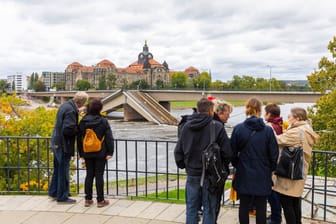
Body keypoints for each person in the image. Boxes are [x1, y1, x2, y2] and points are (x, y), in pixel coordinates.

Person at [174, 97, 232, 224]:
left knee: (192, 208)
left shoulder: (186, 126)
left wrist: (185, 165)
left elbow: (178, 151)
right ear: (211, 111)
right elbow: (227, 153)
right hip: (210, 175)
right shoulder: (217, 127)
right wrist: (222, 166)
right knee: (209, 209)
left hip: (192, 173)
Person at [230, 97, 279, 224]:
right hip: (262, 172)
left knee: (244, 205)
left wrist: (238, 164)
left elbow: (232, 152)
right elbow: (274, 154)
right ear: (260, 110)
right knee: (261, 206)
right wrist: (270, 168)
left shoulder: (239, 129)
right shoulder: (268, 130)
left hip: (244, 171)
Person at [273, 107, 319, 224]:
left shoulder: (297, 131)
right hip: (300, 170)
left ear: (297, 118)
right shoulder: (307, 129)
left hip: (290, 173)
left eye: (289, 117)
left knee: (287, 203)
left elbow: (277, 140)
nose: (287, 120)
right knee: (295, 202)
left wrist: (270, 129)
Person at [48, 91, 89, 203]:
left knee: (57, 168)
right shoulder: (71, 110)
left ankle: (53, 192)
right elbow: (68, 129)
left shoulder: (65, 105)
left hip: (56, 141)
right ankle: (62, 196)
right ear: (81, 102)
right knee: (63, 170)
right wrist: (78, 130)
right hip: (63, 144)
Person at [78, 99, 114, 208]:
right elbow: (109, 138)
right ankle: (100, 200)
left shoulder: (83, 121)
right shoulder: (103, 121)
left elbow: (79, 138)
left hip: (87, 152)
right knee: (99, 175)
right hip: (100, 152)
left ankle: (88, 199)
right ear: (100, 109)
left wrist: (81, 153)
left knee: (89, 175)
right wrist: (110, 152)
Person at [264, 103, 283, 224]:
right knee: (274, 190)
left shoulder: (270, 126)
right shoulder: (279, 124)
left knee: (271, 191)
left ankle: (276, 218)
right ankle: (275, 215)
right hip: (278, 160)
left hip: (271, 162)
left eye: (265, 112)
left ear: (269, 114)